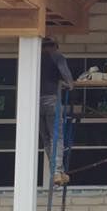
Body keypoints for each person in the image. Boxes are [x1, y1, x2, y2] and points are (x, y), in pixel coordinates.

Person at [40, 37, 74, 181]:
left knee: (46, 138)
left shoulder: (34, 57)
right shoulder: (57, 56)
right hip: (51, 100)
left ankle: (55, 171)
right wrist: (70, 84)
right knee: (57, 136)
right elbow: (66, 76)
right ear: (55, 46)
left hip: (34, 102)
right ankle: (57, 171)